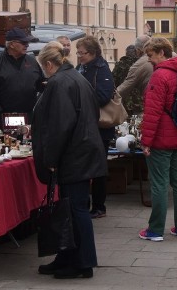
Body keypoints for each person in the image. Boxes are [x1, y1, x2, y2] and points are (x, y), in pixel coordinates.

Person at [32, 41, 106, 279]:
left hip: (74, 155)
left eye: (43, 67)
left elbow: (60, 124)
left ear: (49, 64)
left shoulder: (59, 83)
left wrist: (51, 157)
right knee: (72, 208)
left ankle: (82, 263)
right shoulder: (76, 77)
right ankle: (67, 256)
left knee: (75, 209)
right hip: (82, 151)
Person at [139, 37, 177, 241]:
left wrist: (146, 141)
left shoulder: (159, 76)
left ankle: (155, 230)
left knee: (159, 183)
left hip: (162, 138)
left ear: (162, 53)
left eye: (151, 56)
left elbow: (152, 113)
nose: (149, 60)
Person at [75, 36, 115, 219]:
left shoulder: (101, 68)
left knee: (98, 167)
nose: (78, 55)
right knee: (86, 166)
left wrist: (79, 102)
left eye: (81, 53)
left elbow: (103, 95)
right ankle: (86, 203)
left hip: (100, 127)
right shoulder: (81, 67)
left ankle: (99, 206)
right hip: (85, 124)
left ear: (91, 53)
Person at [0, 27, 45, 127]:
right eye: (23, 43)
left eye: (27, 42)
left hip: (28, 117)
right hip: (4, 117)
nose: (27, 45)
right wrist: (0, 113)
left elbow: (41, 85)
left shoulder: (32, 61)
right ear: (11, 44)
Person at [114, 34, 153, 114]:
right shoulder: (168, 56)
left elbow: (125, 85)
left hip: (142, 101)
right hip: (142, 101)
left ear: (138, 50)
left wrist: (109, 98)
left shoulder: (140, 63)